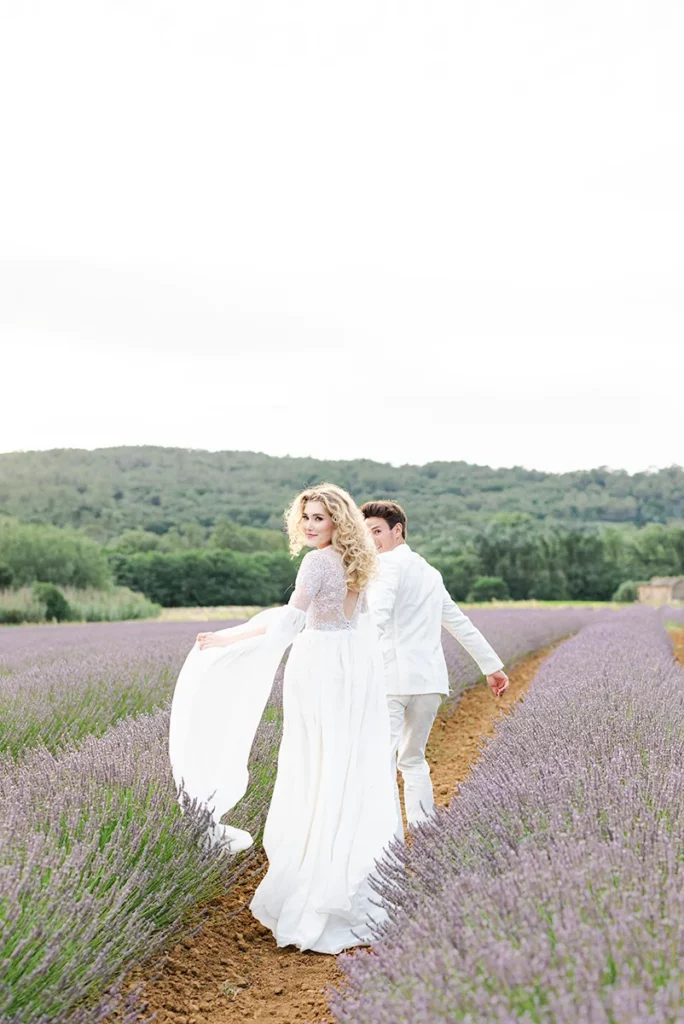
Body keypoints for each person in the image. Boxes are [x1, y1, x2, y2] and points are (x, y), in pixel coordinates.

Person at [169, 484, 397, 955]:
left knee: (313, 766)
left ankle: (311, 885)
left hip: (316, 669)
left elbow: (289, 624)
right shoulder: (360, 562)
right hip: (349, 671)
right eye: (306, 517)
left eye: (319, 517)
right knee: (341, 767)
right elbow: (351, 625)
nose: (310, 525)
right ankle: (343, 880)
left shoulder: (315, 563)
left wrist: (234, 645)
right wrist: (244, 634)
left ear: (337, 521)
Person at [361, 499, 509, 837]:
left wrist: (351, 657)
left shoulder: (385, 568)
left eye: (377, 531)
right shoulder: (429, 571)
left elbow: (378, 617)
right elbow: (459, 622)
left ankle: (386, 841)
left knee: (382, 760)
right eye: (365, 533)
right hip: (429, 683)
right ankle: (425, 834)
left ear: (397, 531)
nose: (371, 540)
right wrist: (492, 667)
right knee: (413, 760)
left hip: (390, 681)